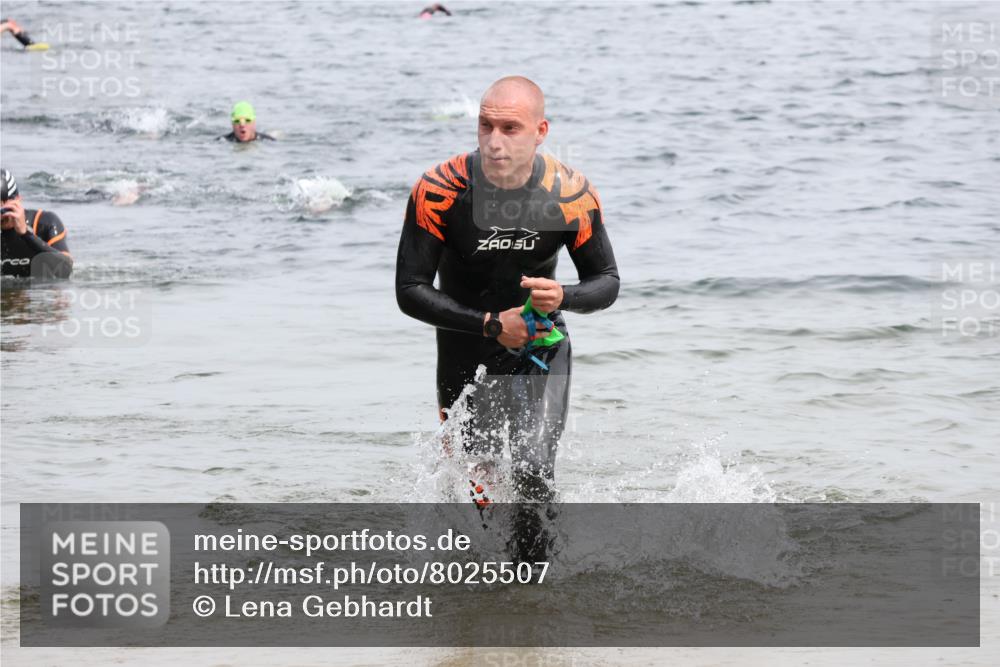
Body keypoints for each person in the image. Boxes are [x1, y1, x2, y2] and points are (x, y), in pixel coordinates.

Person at [395, 76, 619, 508]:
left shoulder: (570, 192)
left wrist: (564, 296)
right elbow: (409, 289)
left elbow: (606, 280)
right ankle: (484, 574)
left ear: (541, 132)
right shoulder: (440, 189)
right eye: (485, 126)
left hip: (538, 344)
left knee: (533, 472)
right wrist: (492, 324)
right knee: (477, 494)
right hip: (465, 346)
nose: (494, 142)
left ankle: (536, 576)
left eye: (510, 128)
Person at [2, 168, 73, 279]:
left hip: (39, 293)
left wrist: (25, 233)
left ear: (18, 200)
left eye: (5, 209)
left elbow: (65, 270)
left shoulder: (44, 223)